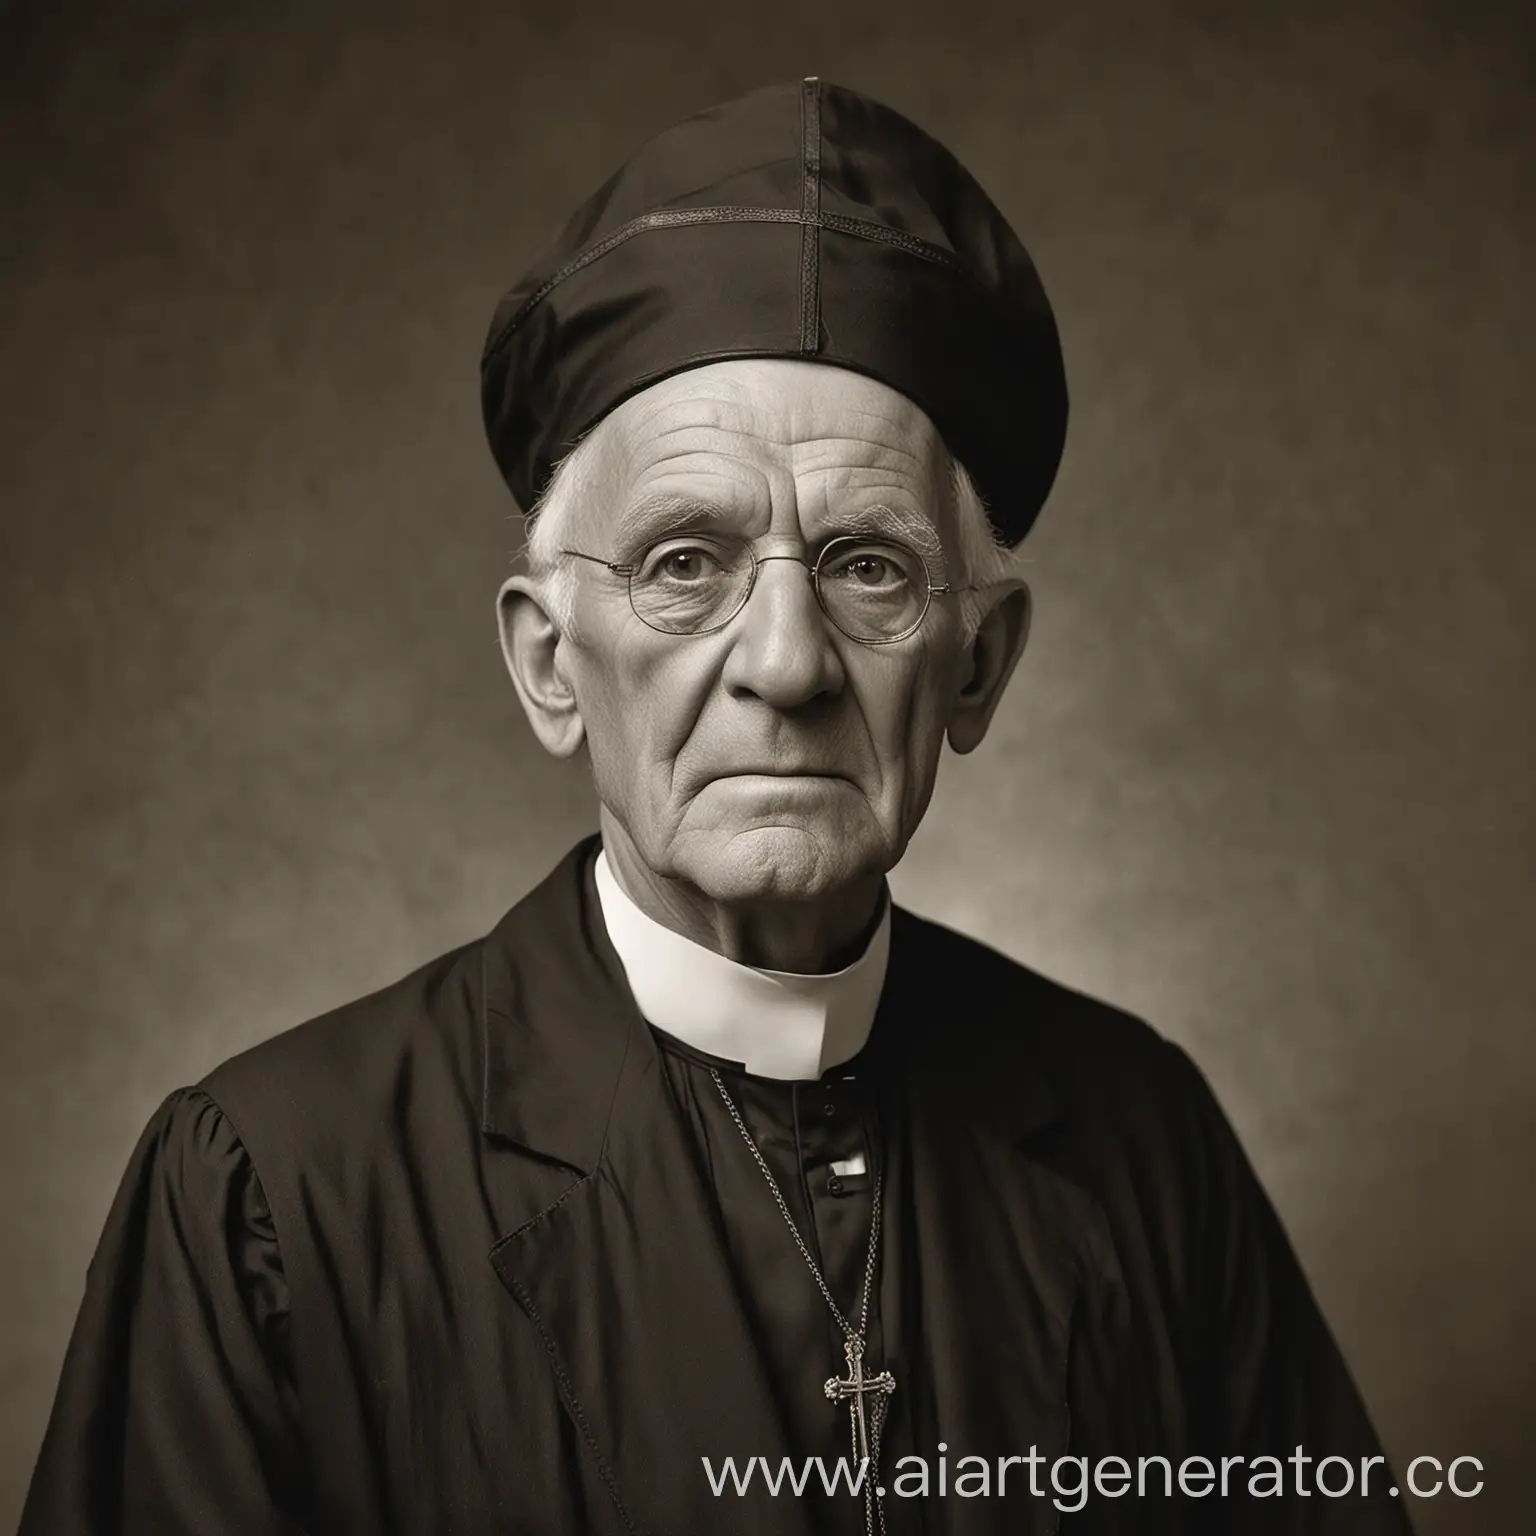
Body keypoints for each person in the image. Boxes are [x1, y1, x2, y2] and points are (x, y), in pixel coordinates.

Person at [21, 79, 1413, 1536]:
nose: (789, 662)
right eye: (687, 562)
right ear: (551, 663)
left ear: (977, 665)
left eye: (869, 566)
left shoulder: (1142, 1144)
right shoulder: (274, 1195)